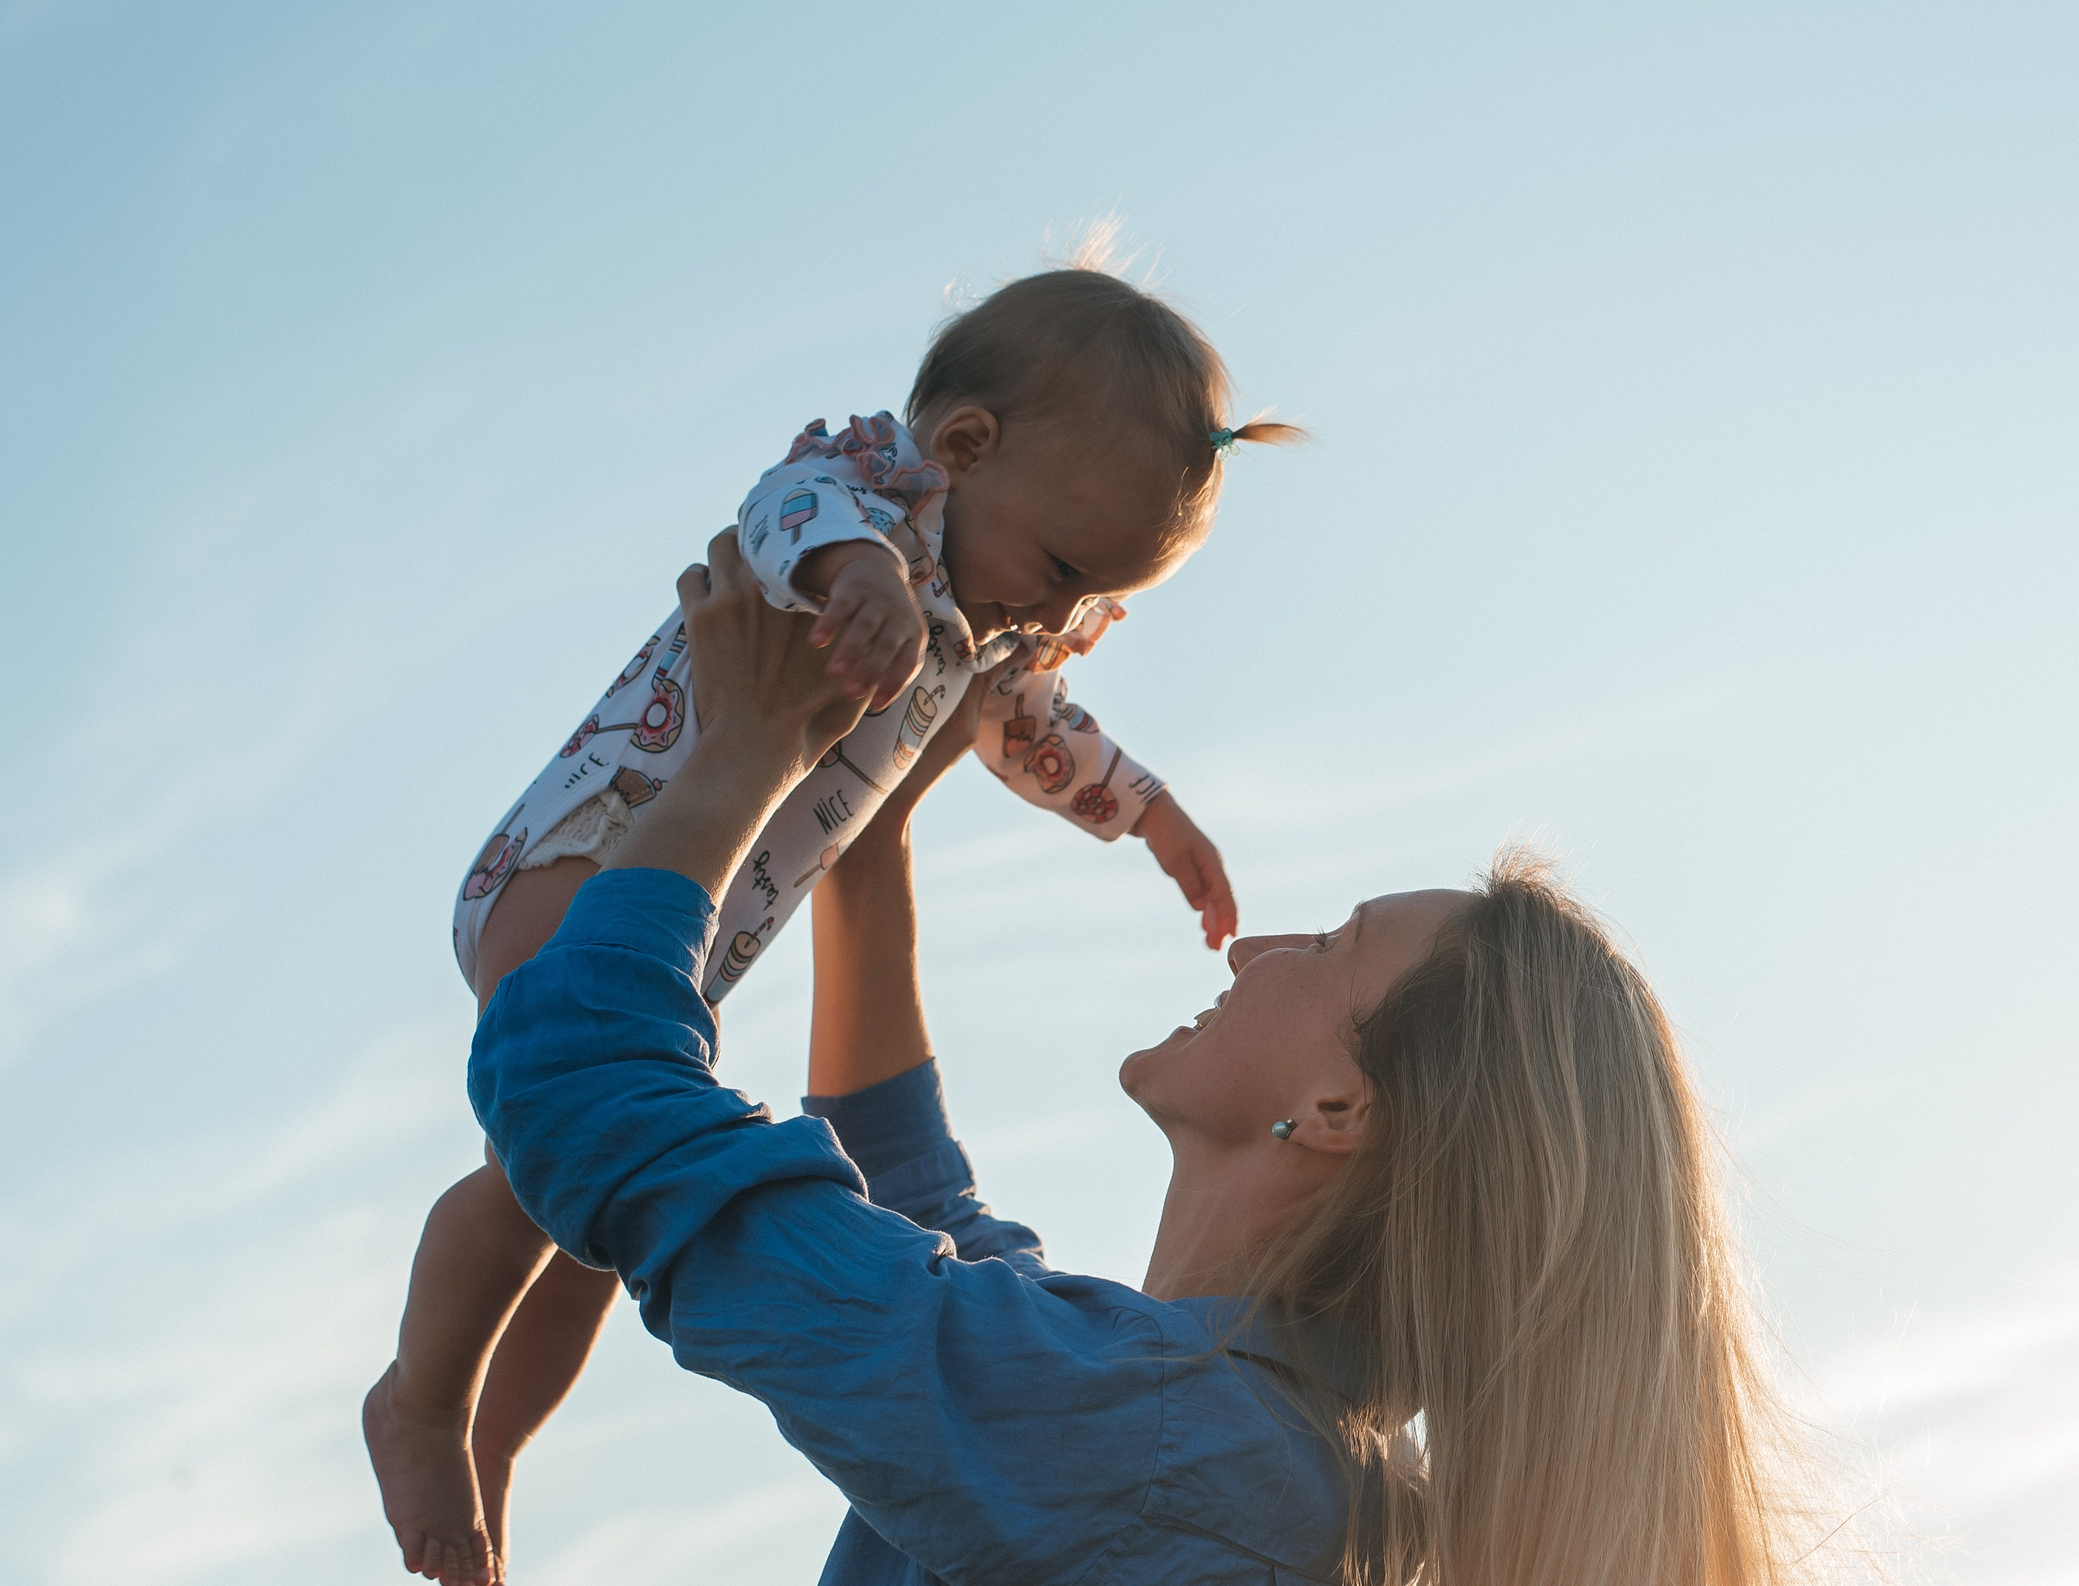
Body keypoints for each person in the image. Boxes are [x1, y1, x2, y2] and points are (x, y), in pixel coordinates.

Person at [454, 530, 1831, 1585]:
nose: (1258, 948)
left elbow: (581, 1082)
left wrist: (738, 765)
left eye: (1334, 944)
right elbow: (914, 1206)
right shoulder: (1252, 1452)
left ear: (1339, 1105)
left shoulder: (1173, 1450)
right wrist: (873, 828)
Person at [365, 260, 1299, 1584]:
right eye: (1063, 567)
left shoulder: (981, 628)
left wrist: (1149, 814)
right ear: (966, 447)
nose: (1051, 614)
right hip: (582, 856)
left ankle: (495, 1443)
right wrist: (857, 565)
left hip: (686, 925)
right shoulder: (873, 495)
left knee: (598, 1216)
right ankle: (420, 1400)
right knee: (546, 1157)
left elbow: (1033, 725)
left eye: (1088, 599)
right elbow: (781, 505)